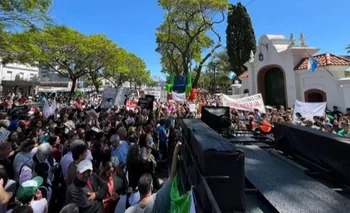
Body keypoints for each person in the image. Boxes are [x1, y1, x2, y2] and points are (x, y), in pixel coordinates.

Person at [125, 142, 181, 213]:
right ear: (151, 186)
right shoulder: (159, 199)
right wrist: (176, 150)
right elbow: (171, 176)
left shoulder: (129, 211)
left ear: (138, 188)